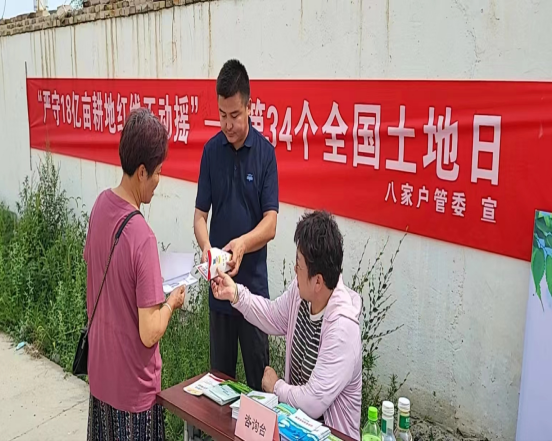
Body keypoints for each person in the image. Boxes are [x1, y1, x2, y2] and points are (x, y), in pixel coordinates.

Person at [211, 210, 362, 440]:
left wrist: (276, 387)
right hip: (294, 428)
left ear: (318, 281)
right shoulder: (301, 294)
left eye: (298, 265)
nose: (294, 270)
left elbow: (312, 402)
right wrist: (236, 294)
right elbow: (272, 316)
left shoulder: (343, 328)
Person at [83, 107, 186, 441]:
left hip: (101, 378)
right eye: (158, 172)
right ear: (142, 172)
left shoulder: (100, 206)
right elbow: (149, 332)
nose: (158, 181)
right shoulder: (142, 236)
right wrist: (170, 303)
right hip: (132, 392)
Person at [194, 59, 279, 391]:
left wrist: (242, 244)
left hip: (253, 292)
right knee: (220, 384)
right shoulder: (211, 152)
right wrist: (207, 248)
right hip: (219, 288)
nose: (228, 125)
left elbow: (270, 224)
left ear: (249, 107)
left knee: (260, 384)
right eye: (222, 115)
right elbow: (200, 217)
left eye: (234, 115)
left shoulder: (265, 154)